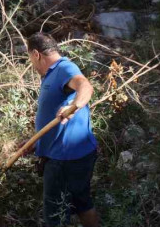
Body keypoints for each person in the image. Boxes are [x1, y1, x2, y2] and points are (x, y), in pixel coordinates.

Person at [24, 33, 100, 227]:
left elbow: (85, 85)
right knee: (82, 203)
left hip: (64, 160)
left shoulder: (64, 68)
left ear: (36, 54)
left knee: (55, 215)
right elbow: (51, 118)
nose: (31, 63)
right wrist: (35, 142)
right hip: (73, 155)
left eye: (30, 58)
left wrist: (73, 106)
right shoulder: (52, 74)